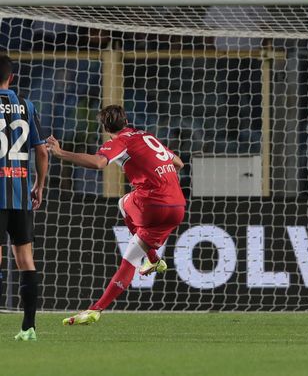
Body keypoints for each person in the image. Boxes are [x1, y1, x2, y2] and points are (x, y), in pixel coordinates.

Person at [46, 105, 186, 325]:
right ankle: (97, 308)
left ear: (105, 127)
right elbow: (178, 163)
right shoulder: (146, 136)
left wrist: (61, 153)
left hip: (153, 204)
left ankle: (150, 260)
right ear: (126, 119)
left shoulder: (120, 141)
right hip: (178, 206)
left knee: (123, 202)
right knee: (131, 257)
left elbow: (99, 163)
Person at [0, 55, 48, 341]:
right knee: (26, 261)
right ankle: (28, 328)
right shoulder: (27, 106)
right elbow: (42, 152)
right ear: (12, 78)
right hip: (20, 195)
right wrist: (39, 186)